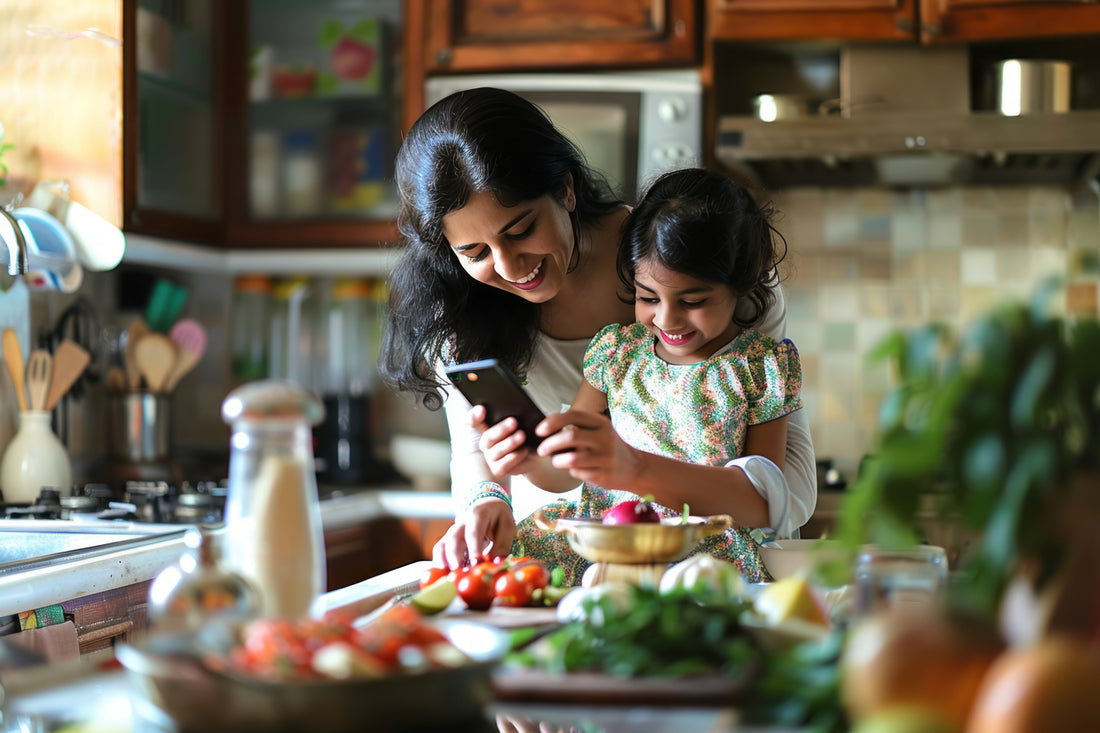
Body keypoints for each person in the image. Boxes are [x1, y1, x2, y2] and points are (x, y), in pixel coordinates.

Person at [379, 87, 816, 574]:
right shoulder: (467, 317)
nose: (509, 266)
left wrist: (633, 468)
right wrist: (487, 499)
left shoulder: (704, 267)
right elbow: (480, 453)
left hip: (723, 556)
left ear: (566, 190)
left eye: (521, 229)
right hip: (588, 557)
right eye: (475, 253)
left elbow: (785, 489)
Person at [486, 167, 802, 583]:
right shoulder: (616, 354)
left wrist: (632, 466)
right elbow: (563, 471)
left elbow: (761, 502)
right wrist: (529, 461)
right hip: (608, 541)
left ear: (739, 286)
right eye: (647, 297)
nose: (667, 318)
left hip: (705, 554)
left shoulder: (759, 367)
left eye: (693, 300)